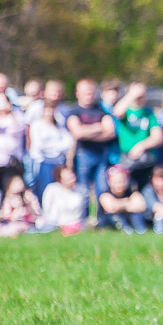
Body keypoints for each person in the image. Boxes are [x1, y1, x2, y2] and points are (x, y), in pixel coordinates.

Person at [66, 78, 117, 220]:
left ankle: (101, 221)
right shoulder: (74, 111)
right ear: (77, 93)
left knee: (102, 188)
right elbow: (78, 133)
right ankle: (83, 219)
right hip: (83, 155)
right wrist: (99, 128)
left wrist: (87, 131)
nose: (89, 95)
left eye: (91, 92)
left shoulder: (100, 110)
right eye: (85, 92)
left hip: (101, 155)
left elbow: (110, 132)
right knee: (83, 190)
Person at [112, 82, 163, 190]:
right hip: (127, 159)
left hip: (146, 159)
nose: (140, 96)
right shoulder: (126, 112)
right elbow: (117, 112)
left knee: (145, 190)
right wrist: (132, 94)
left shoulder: (148, 113)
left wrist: (141, 146)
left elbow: (157, 136)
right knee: (127, 189)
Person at [28, 102, 74, 201]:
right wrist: (57, 146)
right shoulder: (37, 125)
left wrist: (52, 145)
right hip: (43, 162)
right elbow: (39, 145)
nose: (49, 114)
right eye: (47, 111)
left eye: (51, 111)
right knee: (44, 189)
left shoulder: (58, 126)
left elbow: (68, 142)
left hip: (57, 163)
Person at [99, 164, 147, 233]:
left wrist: (119, 205)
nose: (119, 184)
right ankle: (125, 229)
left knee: (136, 214)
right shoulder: (105, 195)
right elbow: (111, 208)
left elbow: (141, 206)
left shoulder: (132, 192)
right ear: (109, 182)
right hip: (111, 223)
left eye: (121, 181)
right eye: (116, 182)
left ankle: (140, 230)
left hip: (129, 219)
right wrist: (128, 203)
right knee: (113, 215)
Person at [39, 166, 86, 235]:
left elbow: (82, 212)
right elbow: (46, 208)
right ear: (60, 180)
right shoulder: (52, 189)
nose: (71, 180)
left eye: (72, 177)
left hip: (75, 223)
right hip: (54, 224)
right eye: (67, 179)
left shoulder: (81, 190)